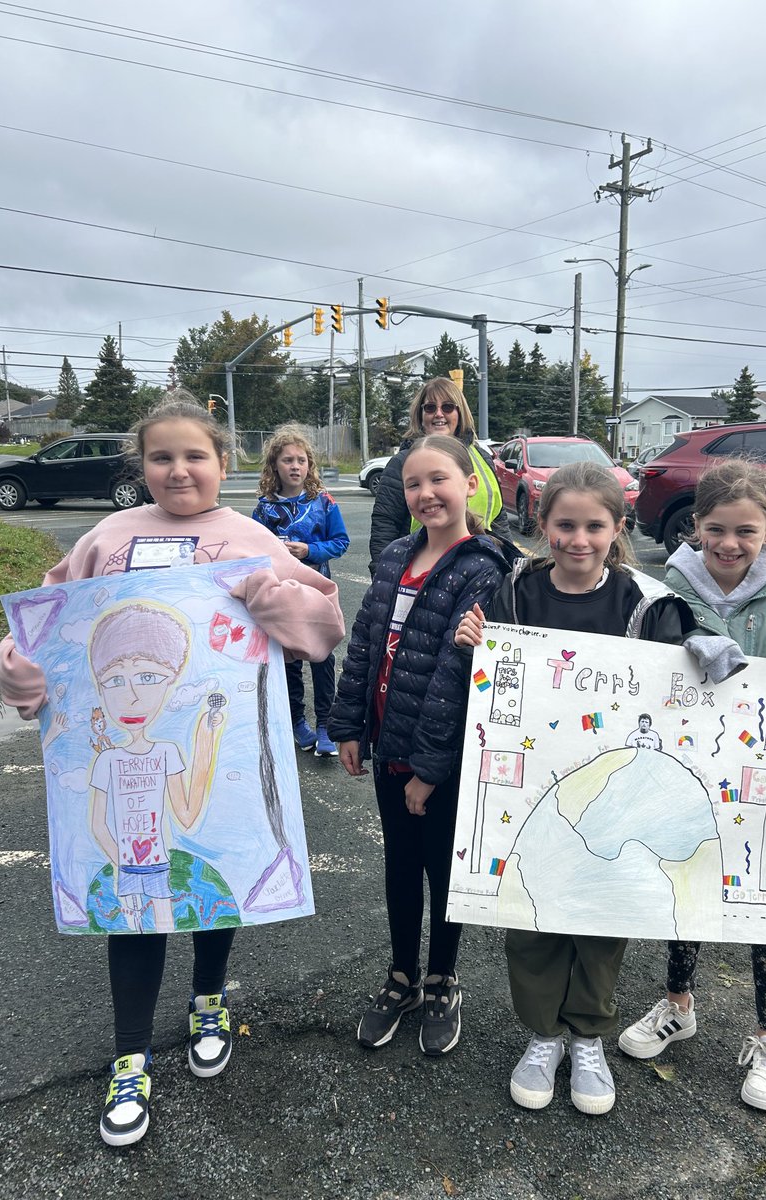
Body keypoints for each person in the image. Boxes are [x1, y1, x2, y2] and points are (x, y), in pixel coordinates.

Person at [0, 390, 345, 1148]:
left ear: (224, 462)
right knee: (130, 902)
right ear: (141, 464)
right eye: (162, 457)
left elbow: (322, 626)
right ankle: (131, 1053)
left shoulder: (250, 535)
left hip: (221, 756)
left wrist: (270, 590)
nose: (179, 470)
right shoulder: (107, 538)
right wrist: (17, 668)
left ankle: (209, 998)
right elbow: (43, 627)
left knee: (214, 881)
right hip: (118, 758)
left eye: (195, 456)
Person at [454, 461, 696, 1116]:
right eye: (565, 524)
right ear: (543, 524)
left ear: (618, 528)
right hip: (530, 791)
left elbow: (685, 680)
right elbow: (491, 687)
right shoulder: (515, 591)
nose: (578, 539)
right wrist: (477, 649)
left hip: (614, 795)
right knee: (532, 913)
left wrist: (710, 652)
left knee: (602, 913)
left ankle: (587, 1035)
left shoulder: (645, 603)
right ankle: (542, 1036)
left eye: (595, 525)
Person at [618, 457, 766, 1113]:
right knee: (686, 899)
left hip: (765, 801)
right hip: (688, 788)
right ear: (694, 526)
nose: (730, 543)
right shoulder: (665, 596)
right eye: (716, 528)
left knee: (764, 917)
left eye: (746, 530)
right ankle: (678, 1004)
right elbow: (635, 683)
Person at [329, 434, 517, 1057]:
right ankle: (402, 976)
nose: (425, 493)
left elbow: (454, 679)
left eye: (439, 479)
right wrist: (349, 725)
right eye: (413, 483)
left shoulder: (482, 568)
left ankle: (442, 979)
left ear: (470, 485)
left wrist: (431, 770)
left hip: (442, 760)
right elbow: (362, 647)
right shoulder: (392, 560)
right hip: (390, 749)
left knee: (444, 868)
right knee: (401, 868)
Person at [253, 424, 350, 757]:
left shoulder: (323, 502)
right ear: (274, 466)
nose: (295, 466)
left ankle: (325, 724)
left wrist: (310, 552)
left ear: (309, 465)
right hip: (282, 598)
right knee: (288, 661)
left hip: (317, 595)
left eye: (301, 460)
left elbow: (341, 542)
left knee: (322, 658)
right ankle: (297, 721)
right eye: (287, 460)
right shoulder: (263, 509)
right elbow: (253, 554)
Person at [367, 377, 510, 574]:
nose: (439, 414)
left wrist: (509, 567)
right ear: (420, 414)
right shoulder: (402, 463)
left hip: (481, 571)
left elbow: (498, 519)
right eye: (430, 408)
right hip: (422, 572)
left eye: (448, 407)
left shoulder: (482, 458)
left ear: (461, 413)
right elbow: (385, 525)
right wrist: (383, 576)